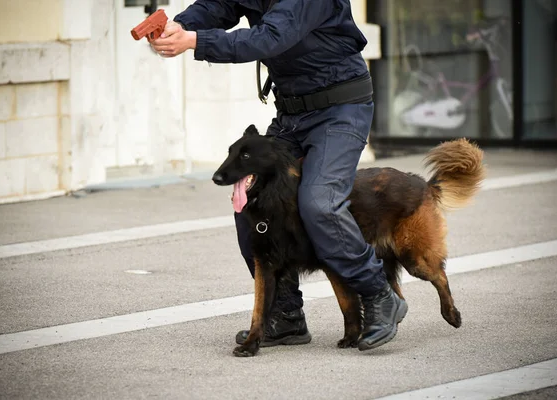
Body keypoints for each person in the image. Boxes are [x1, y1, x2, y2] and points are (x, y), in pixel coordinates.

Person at [150, 0, 407, 351]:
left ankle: (379, 293)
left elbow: (270, 37)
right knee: (250, 203)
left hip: (341, 110)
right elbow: (217, 5)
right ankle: (285, 316)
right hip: (290, 113)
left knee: (319, 204)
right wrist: (178, 27)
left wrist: (195, 41)